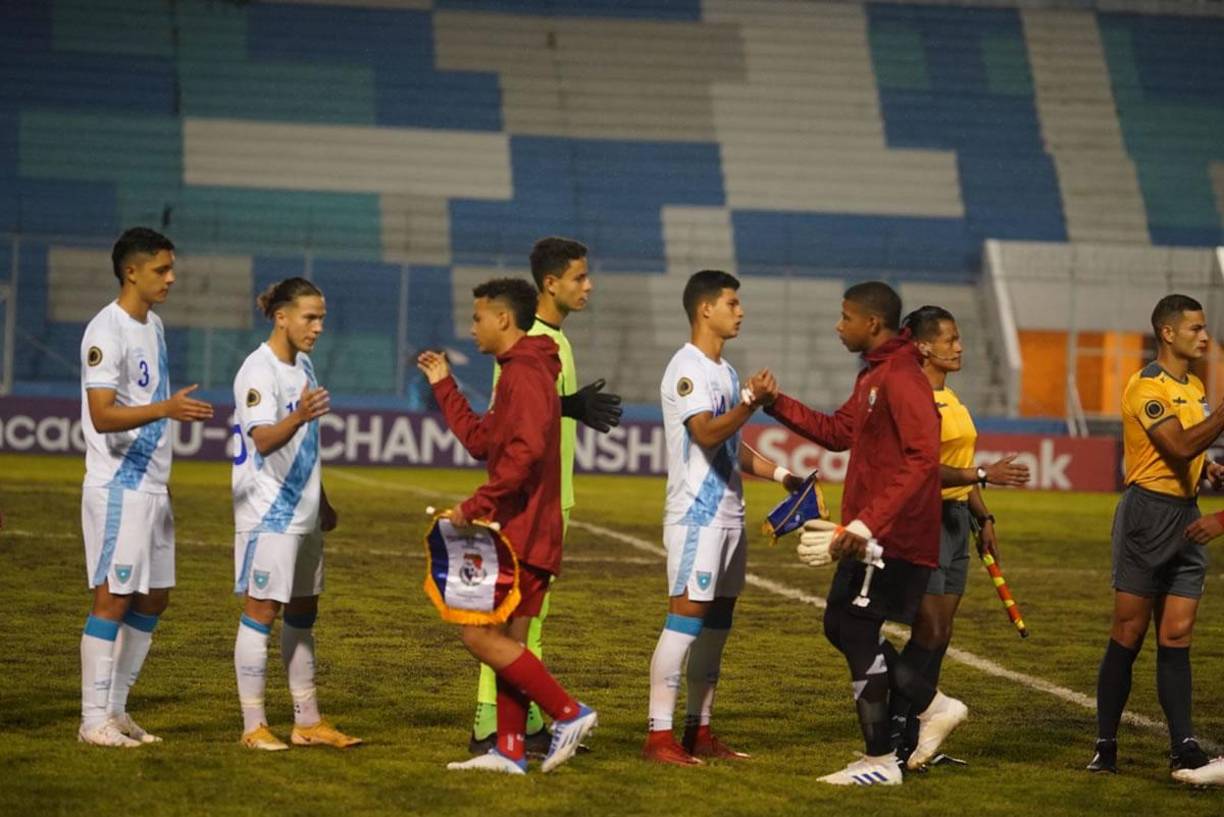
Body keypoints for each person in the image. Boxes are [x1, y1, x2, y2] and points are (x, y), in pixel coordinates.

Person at [757, 281, 964, 786]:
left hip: (890, 536)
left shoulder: (902, 377)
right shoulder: (875, 376)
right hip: (872, 531)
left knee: (852, 628)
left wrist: (868, 522)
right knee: (841, 626)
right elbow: (835, 433)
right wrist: (775, 402)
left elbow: (922, 460)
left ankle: (882, 758)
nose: (838, 324)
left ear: (872, 324)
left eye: (845, 316)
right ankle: (928, 708)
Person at [419, 278, 597, 774]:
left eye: (477, 318)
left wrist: (475, 506)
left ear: (503, 319)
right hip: (531, 527)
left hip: (524, 528)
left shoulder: (522, 375)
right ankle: (511, 750)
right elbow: (483, 441)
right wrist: (444, 386)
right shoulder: (522, 369)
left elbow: (523, 456)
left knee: (478, 634)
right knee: (509, 645)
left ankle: (568, 712)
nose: (471, 327)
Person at [468, 237, 622, 757]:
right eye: (579, 277)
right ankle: (498, 724)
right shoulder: (523, 335)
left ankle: (513, 736)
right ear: (550, 283)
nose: (588, 285)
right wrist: (567, 406)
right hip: (527, 502)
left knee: (518, 624)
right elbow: (509, 421)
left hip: (551, 498)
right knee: (508, 627)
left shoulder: (553, 338)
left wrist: (569, 408)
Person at [643, 270, 802, 766]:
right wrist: (751, 402)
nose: (741, 311)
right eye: (732, 303)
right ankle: (658, 736)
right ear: (704, 309)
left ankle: (699, 731)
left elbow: (731, 445)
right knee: (684, 623)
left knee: (717, 627)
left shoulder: (727, 372)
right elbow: (707, 435)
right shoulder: (685, 367)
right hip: (697, 517)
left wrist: (781, 474)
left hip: (730, 516)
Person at [77, 227, 214, 747]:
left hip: (153, 486)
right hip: (118, 485)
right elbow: (103, 414)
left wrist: (165, 480)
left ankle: (116, 710)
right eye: (161, 269)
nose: (171, 278)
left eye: (171, 268)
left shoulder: (152, 326)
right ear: (130, 271)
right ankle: (92, 720)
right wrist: (167, 408)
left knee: (154, 598)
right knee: (111, 599)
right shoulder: (105, 331)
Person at [1087, 294, 1224, 785]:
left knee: (1178, 635)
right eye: (1195, 328)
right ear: (1168, 333)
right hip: (1147, 514)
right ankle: (1106, 744)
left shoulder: (1195, 387)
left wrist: (1209, 469)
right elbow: (1178, 443)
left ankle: (1183, 745)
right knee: (1129, 631)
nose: (1205, 337)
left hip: (1187, 513)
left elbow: (1192, 450)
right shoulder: (1145, 387)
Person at [888, 305, 1030, 767]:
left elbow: (962, 474)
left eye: (959, 337)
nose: (960, 346)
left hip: (954, 521)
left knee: (941, 633)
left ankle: (918, 737)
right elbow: (922, 469)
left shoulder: (952, 398)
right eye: (949, 339)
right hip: (924, 519)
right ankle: (895, 735)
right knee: (926, 631)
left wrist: (984, 517)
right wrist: (984, 474)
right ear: (924, 346)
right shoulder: (915, 399)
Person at [230, 277, 361, 751]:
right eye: (310, 317)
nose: (319, 326)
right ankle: (253, 726)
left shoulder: (303, 364)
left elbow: (305, 443)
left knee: (304, 612)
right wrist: (300, 415)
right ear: (281, 316)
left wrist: (321, 501)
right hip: (269, 512)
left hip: (303, 512)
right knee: (261, 612)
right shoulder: (257, 370)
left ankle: (307, 721)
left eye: (322, 317)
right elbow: (263, 439)